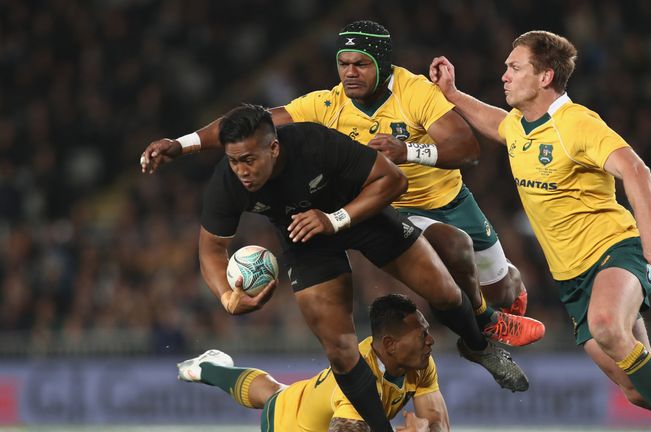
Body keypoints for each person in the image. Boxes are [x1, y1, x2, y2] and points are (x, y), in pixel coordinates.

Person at [428, 30, 651, 432]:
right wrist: (454, 94)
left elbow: (636, 169)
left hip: (616, 252)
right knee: (638, 391)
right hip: (572, 280)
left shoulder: (578, 123)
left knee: (606, 325)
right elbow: (497, 124)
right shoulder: (519, 126)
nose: (504, 76)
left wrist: (650, 233)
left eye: (514, 67)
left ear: (545, 77)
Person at [139, 20, 544, 347]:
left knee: (504, 290)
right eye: (343, 63)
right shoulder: (325, 104)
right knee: (453, 248)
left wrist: (408, 152)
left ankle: (504, 295)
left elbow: (467, 149)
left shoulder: (413, 91)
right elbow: (250, 121)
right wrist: (182, 144)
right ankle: (486, 326)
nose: (350, 72)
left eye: (361, 64)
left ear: (382, 64)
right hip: (393, 206)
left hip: (449, 199)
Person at [194, 104, 527, 432]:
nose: (242, 171)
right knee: (340, 350)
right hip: (306, 239)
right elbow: (211, 247)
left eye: (249, 160)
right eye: (235, 161)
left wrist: (335, 219)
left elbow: (394, 180)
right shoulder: (228, 181)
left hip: (361, 215)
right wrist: (225, 297)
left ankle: (478, 347)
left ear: (274, 147)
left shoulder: (315, 143)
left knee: (444, 292)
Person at [177, 294, 448, 432]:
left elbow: (438, 420)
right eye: (422, 334)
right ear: (389, 344)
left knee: (273, 392)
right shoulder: (359, 384)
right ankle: (208, 369)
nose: (430, 341)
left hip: (304, 398)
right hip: (287, 427)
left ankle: (208, 367)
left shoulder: (420, 362)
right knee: (274, 398)